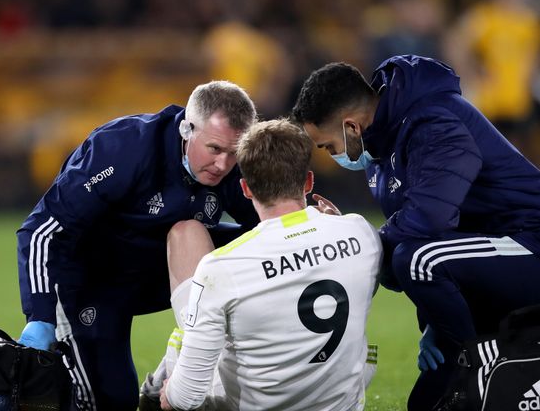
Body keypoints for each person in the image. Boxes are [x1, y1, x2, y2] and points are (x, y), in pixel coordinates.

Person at [291, 55, 540, 410]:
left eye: (328, 146)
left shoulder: (434, 122)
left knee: (417, 261)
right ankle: (486, 373)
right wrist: (436, 320)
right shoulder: (386, 144)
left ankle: (478, 370)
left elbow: (427, 222)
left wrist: (356, 241)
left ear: (351, 127)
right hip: (489, 258)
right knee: (426, 404)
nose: (331, 156)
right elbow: (424, 235)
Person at [15, 81, 260, 411]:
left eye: (234, 153)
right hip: (93, 282)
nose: (223, 165)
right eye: (215, 149)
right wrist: (40, 314)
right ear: (187, 129)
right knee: (110, 401)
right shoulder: (123, 149)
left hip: (157, 273)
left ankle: (184, 359)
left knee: (253, 248)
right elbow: (42, 231)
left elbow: (270, 223)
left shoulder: (235, 161)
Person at [154, 119, 382, 410]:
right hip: (340, 401)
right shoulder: (360, 232)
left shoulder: (223, 265)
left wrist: (169, 395)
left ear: (246, 188)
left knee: (185, 342)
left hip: (249, 401)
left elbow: (186, 399)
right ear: (309, 182)